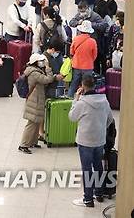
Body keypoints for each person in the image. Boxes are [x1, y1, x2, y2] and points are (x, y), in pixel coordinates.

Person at [68, 74, 114, 207]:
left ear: (82, 86)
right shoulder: (104, 101)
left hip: (85, 141)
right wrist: (100, 128)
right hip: (99, 140)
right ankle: (98, 193)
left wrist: (75, 99)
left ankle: (88, 199)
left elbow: (72, 117)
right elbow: (110, 119)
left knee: (87, 169)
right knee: (98, 166)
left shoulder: (82, 103)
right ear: (95, 86)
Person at [18, 53, 59, 154]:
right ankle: (23, 144)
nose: (42, 63)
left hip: (36, 98)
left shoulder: (33, 70)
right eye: (41, 61)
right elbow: (47, 80)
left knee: (36, 121)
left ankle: (32, 141)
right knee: (32, 123)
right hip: (34, 100)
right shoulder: (34, 73)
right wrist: (48, 68)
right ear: (35, 62)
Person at [68, 20, 98, 97]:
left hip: (76, 65)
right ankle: (86, 99)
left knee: (73, 84)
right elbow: (94, 55)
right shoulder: (93, 41)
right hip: (88, 66)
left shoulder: (76, 39)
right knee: (87, 86)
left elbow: (71, 52)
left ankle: (69, 99)